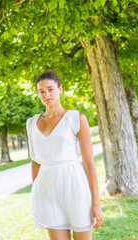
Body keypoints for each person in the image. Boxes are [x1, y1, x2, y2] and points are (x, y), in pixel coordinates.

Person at [26, 70, 103, 240]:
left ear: (60, 89)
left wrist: (96, 203)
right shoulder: (31, 123)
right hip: (48, 191)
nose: (46, 94)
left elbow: (89, 163)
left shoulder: (76, 118)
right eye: (42, 91)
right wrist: (37, 191)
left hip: (74, 186)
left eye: (50, 89)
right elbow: (35, 162)